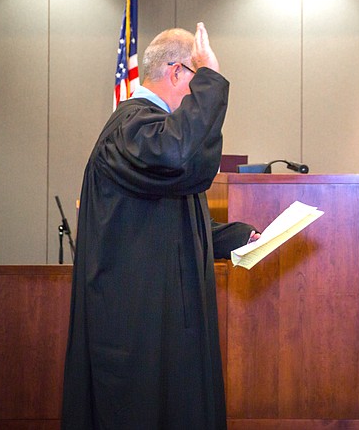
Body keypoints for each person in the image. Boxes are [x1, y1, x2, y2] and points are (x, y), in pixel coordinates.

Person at [62, 23, 258, 429]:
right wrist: (211, 78)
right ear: (177, 72)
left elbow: (170, 216)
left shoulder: (149, 133)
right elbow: (181, 156)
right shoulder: (130, 129)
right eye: (195, 78)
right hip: (134, 330)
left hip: (158, 321)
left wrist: (237, 237)